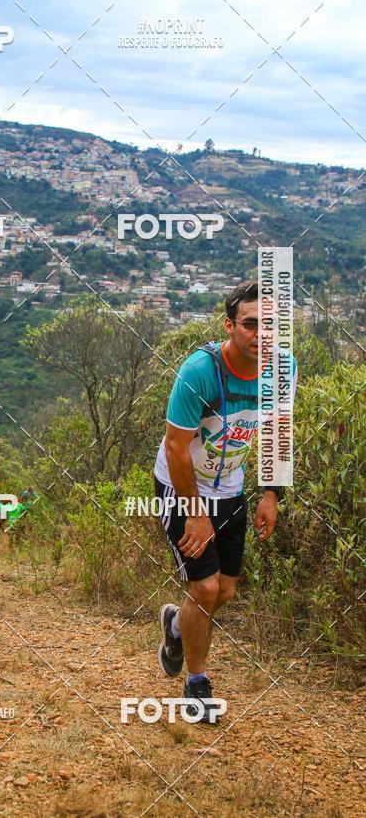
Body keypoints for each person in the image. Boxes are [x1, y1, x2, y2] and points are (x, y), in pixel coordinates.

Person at [154, 281, 297, 723]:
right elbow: (177, 447)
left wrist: (271, 493)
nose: (261, 335)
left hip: (231, 486)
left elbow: (278, 429)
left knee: (227, 590)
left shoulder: (283, 368)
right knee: (206, 586)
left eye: (270, 326)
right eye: (251, 324)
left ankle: (176, 627)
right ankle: (196, 684)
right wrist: (194, 513)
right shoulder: (200, 371)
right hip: (182, 486)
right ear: (230, 326)